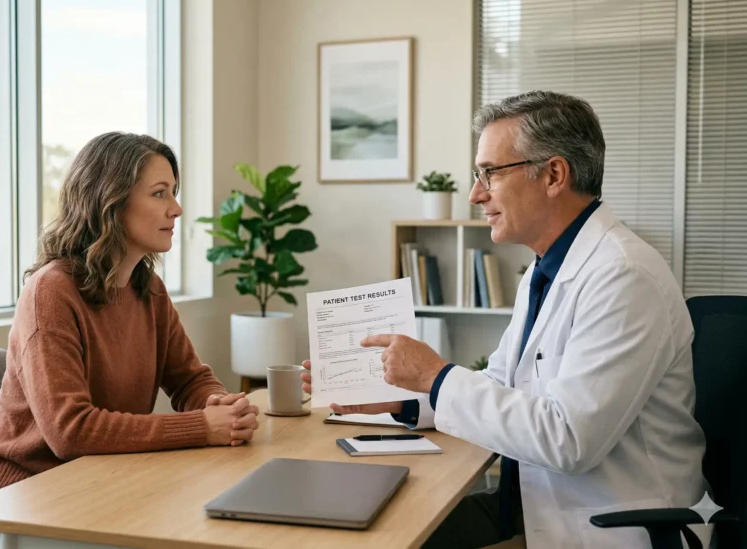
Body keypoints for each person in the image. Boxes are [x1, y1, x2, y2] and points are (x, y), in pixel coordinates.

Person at [303, 91, 708, 548]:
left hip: (610, 529)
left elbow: (567, 439)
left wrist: (436, 376)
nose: (477, 194)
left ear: (554, 174)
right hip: (533, 510)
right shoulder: (545, 267)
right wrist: (405, 400)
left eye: (490, 173)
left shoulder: (624, 277)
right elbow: (502, 384)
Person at [0, 132, 259, 489]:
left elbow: (189, 379)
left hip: (103, 475)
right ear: (111, 200)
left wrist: (222, 407)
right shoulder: (51, 292)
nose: (176, 208)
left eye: (174, 191)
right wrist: (202, 426)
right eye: (159, 193)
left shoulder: (148, 287)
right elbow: (70, 431)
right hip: (25, 487)